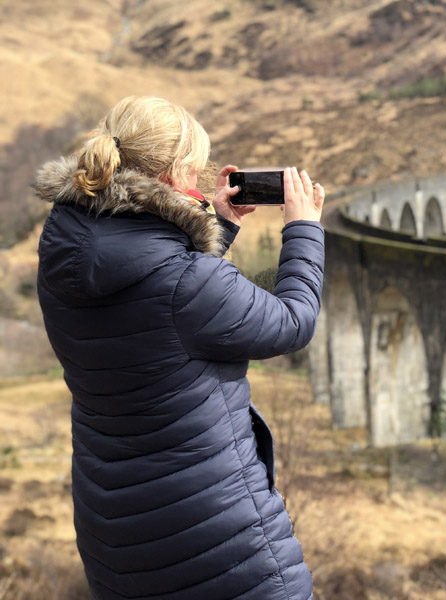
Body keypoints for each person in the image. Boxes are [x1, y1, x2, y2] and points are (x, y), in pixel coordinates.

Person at [34, 96, 324, 600]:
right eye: (193, 171)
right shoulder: (187, 283)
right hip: (219, 540)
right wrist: (304, 230)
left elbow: (155, 308)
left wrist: (219, 228)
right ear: (173, 174)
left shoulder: (64, 252)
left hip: (116, 538)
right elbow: (292, 323)